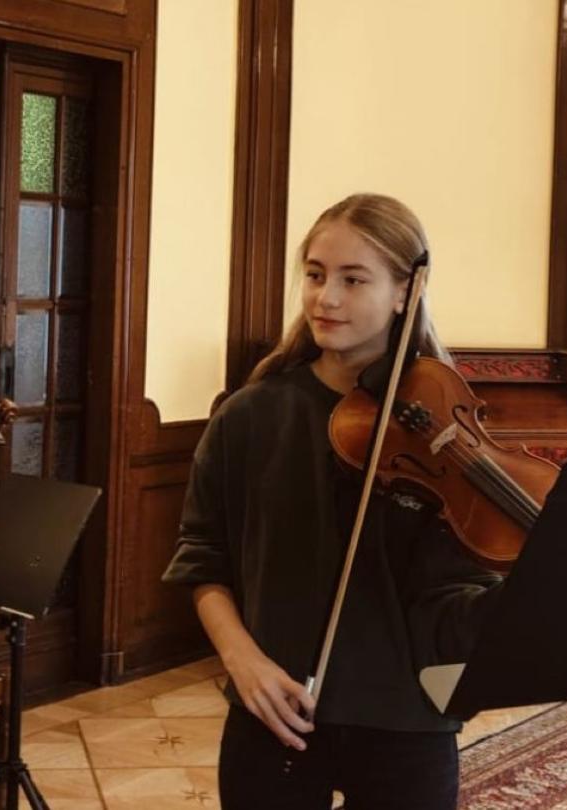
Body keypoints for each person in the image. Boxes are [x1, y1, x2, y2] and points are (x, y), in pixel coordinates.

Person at [161, 193, 501, 808]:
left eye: (353, 279)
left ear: (405, 291)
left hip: (407, 718)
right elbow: (202, 556)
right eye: (315, 275)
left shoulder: (441, 438)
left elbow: (454, 596)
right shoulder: (249, 415)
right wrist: (244, 664)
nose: (326, 298)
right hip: (275, 710)